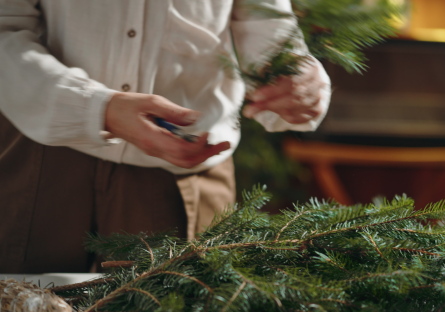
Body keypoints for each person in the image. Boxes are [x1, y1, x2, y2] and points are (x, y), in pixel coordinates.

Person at [0, 0, 330, 273]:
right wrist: (97, 108)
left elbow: (268, 30)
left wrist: (298, 79)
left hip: (183, 172)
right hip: (38, 160)